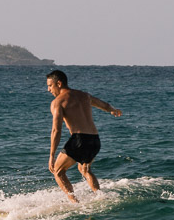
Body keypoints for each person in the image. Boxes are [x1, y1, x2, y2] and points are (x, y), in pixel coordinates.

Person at [45, 69, 122, 203]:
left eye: (50, 85)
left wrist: (51, 155)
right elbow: (104, 105)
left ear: (59, 83)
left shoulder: (58, 102)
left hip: (79, 140)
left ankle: (74, 203)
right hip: (95, 140)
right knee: (84, 169)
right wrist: (113, 110)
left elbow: (56, 130)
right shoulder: (84, 95)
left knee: (58, 171)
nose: (48, 89)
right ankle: (100, 197)